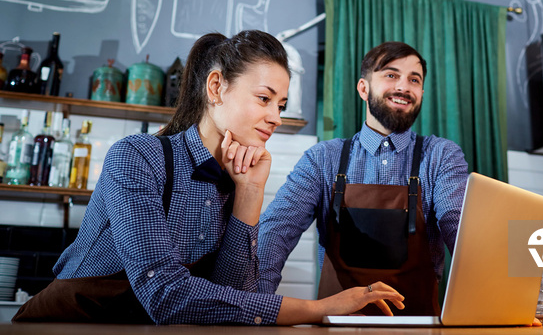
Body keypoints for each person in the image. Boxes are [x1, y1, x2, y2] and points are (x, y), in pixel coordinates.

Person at [13, 30, 404, 325]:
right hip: (65, 327)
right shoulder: (136, 157)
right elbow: (165, 294)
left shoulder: (238, 179)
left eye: (281, 105)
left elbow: (233, 299)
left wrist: (250, 193)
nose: (276, 118)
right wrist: (318, 309)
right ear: (216, 87)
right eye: (264, 99)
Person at [258, 41, 470, 316]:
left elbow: (461, 229)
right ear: (363, 88)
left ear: (421, 92)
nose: (404, 87)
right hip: (337, 328)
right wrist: (253, 311)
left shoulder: (441, 156)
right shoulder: (322, 159)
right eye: (391, 75)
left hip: (420, 328)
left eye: (414, 79)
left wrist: (500, 305)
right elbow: (274, 234)